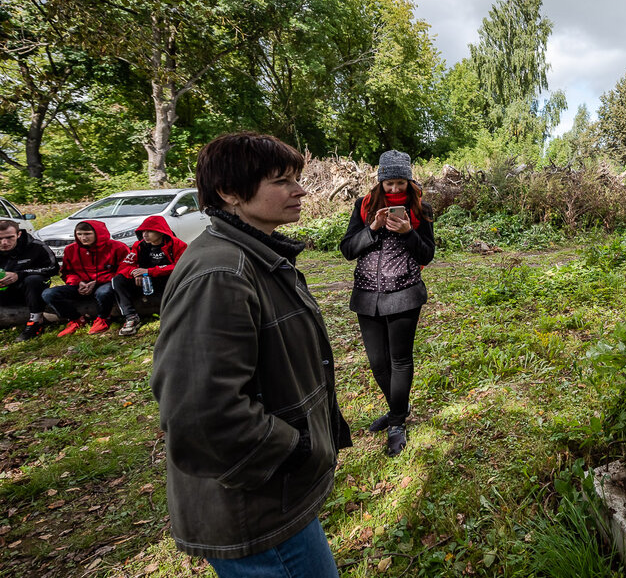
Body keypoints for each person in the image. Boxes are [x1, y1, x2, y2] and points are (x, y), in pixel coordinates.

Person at [151, 131, 351, 577]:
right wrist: (295, 451)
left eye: (295, 178)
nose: (300, 190)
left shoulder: (251, 254)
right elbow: (200, 413)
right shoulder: (222, 271)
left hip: (272, 499)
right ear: (229, 193)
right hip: (256, 506)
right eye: (282, 181)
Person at [339, 150, 435, 457]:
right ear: (380, 182)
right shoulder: (364, 206)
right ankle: (400, 406)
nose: (395, 190)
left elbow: (426, 255)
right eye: (389, 184)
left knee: (400, 360)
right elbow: (347, 249)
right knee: (378, 364)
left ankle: (396, 423)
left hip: (404, 293)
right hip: (367, 295)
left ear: (408, 182)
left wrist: (408, 233)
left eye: (400, 183)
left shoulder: (421, 209)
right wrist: (372, 230)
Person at [42, 221, 129, 336]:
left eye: (87, 234)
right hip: (81, 285)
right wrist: (78, 283)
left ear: (98, 233)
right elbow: (67, 272)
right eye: (79, 234)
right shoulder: (70, 249)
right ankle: (76, 319)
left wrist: (98, 281)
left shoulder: (118, 247)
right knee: (48, 294)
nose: (83, 238)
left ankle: (103, 318)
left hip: (106, 282)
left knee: (103, 292)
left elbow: (124, 270)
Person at [112, 215, 187, 336]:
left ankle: (174, 315)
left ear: (161, 232)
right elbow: (125, 265)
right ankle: (131, 317)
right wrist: (134, 272)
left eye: (149, 231)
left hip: (166, 279)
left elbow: (181, 266)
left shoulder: (177, 244)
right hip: (144, 281)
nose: (145, 234)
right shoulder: (139, 245)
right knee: (118, 280)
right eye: (143, 231)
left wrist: (149, 271)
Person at [0, 220, 59, 340]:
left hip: (30, 291)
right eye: (0, 239)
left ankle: (36, 322)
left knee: (33, 280)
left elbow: (53, 268)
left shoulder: (36, 246)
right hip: (4, 291)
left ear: (19, 234)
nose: (4, 242)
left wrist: (19, 274)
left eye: (10, 237)